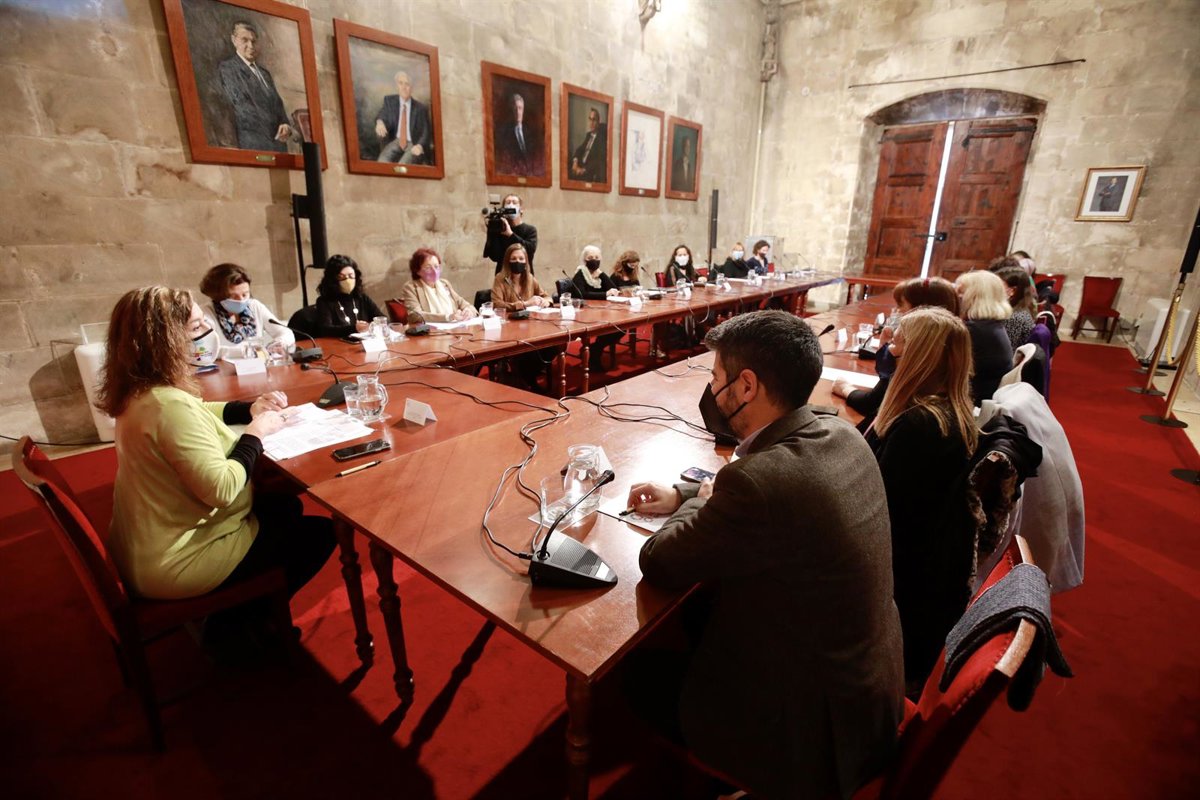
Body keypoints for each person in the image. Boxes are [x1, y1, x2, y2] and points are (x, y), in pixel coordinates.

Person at [628, 310, 904, 799]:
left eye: (716, 378)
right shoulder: (842, 434)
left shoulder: (758, 483)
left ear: (747, 386)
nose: (712, 390)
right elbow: (772, 502)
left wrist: (699, 500)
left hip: (810, 733)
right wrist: (688, 494)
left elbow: (660, 559)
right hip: (867, 693)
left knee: (636, 671)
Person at [97, 286, 335, 609]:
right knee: (319, 533)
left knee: (285, 508)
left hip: (147, 545)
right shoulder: (168, 406)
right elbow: (221, 489)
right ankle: (245, 621)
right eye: (196, 326)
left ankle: (253, 606)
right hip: (178, 562)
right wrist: (255, 434)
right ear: (165, 340)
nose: (207, 331)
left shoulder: (141, 391)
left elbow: (199, 410)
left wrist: (248, 409)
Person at [865, 306, 979, 691]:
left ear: (919, 356)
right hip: (920, 571)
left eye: (897, 343)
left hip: (899, 591)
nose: (890, 350)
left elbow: (873, 511)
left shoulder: (921, 426)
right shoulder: (944, 412)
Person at [831, 276, 959, 425]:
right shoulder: (951, 345)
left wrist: (845, 388)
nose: (898, 311)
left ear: (921, 309)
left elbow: (872, 403)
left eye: (901, 304)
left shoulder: (921, 360)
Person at [218, 21, 293, 153]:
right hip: (253, 144)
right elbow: (242, 107)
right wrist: (273, 128)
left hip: (277, 145)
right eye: (245, 40)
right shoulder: (228, 69)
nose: (251, 46)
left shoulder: (265, 74)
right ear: (234, 40)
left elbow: (277, 104)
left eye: (253, 41)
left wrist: (285, 124)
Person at [198, 263, 294, 359]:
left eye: (245, 294)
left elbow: (286, 333)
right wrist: (246, 352)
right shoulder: (204, 314)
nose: (241, 300)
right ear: (217, 296)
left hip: (258, 364)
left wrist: (279, 344)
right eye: (233, 296)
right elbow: (205, 351)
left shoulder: (254, 306)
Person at [491, 243, 554, 390]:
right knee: (529, 349)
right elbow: (497, 304)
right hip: (509, 328)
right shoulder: (500, 279)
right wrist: (523, 304)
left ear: (526, 261)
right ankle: (527, 378)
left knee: (552, 346)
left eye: (521, 258)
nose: (517, 262)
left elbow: (546, 295)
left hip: (531, 326)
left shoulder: (530, 278)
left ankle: (529, 375)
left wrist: (546, 301)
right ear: (507, 261)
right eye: (513, 258)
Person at [955, 270, 1014, 404]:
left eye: (960, 294)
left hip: (973, 401)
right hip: (984, 395)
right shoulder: (990, 325)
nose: (956, 299)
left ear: (973, 298)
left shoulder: (975, 331)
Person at [570, 245, 623, 373]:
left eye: (597, 257)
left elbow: (614, 289)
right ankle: (594, 353)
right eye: (590, 258)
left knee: (621, 328)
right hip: (585, 313)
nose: (594, 260)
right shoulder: (580, 274)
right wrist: (605, 294)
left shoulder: (599, 275)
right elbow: (582, 294)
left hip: (602, 311)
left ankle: (596, 348)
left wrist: (603, 275)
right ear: (585, 260)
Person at [313, 254, 385, 338]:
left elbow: (382, 319)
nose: (347, 280)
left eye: (351, 276)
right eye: (342, 277)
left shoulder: (362, 298)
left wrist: (373, 325)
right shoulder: (324, 301)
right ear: (333, 279)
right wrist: (354, 328)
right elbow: (325, 330)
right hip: (338, 344)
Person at [400, 247, 477, 324]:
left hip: (455, 327)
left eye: (436, 266)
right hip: (430, 330)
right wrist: (448, 317)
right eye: (428, 268)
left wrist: (469, 311)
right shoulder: (411, 287)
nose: (434, 271)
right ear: (417, 271)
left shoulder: (444, 284)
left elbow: (465, 304)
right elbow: (415, 315)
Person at [374, 71, 432, 165]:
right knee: (382, 162)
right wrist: (380, 122)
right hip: (396, 141)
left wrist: (420, 146)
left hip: (413, 143)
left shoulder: (420, 108)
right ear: (397, 85)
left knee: (402, 166)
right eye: (400, 83)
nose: (403, 87)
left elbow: (426, 132)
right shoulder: (390, 101)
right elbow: (383, 113)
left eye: (407, 84)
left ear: (412, 88)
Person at [483, 193, 538, 273]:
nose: (511, 205)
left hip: (524, 275)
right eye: (508, 203)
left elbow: (529, 250)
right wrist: (493, 230)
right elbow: (495, 257)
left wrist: (510, 234)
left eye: (514, 203)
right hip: (503, 275)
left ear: (521, 209)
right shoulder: (500, 229)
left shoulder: (530, 230)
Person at [495, 93, 543, 176]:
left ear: (523, 110)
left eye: (520, 108)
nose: (518, 112)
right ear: (511, 110)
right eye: (515, 108)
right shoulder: (504, 133)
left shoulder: (530, 133)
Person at [996, 266, 1037, 351]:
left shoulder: (1014, 317)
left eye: (997, 286)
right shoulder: (1020, 309)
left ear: (1012, 291)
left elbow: (1005, 350)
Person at [569, 106, 606, 182]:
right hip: (580, 166)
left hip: (589, 172)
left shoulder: (601, 138)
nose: (591, 123)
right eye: (590, 119)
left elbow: (598, 160)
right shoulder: (589, 135)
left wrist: (583, 170)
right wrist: (575, 162)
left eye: (594, 120)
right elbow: (580, 149)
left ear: (598, 121)